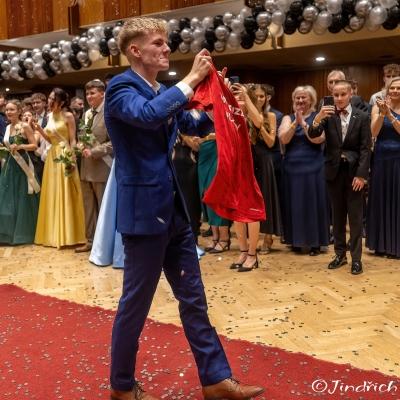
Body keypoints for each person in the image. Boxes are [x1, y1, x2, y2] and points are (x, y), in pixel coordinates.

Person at [104, 17, 264, 400]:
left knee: (194, 299)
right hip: (144, 214)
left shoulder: (161, 90)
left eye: (166, 42)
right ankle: (121, 387)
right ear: (135, 51)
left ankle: (216, 380)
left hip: (174, 211)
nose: (167, 49)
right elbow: (148, 116)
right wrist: (192, 79)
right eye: (158, 43)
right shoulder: (120, 88)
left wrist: (220, 100)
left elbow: (191, 121)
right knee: (135, 305)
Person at [309, 80, 371, 274]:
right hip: (333, 172)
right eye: (335, 95)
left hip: (354, 174)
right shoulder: (327, 115)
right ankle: (340, 255)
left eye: (343, 94)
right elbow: (313, 133)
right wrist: (318, 117)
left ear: (350, 94)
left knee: (355, 218)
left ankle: (356, 259)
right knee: (337, 218)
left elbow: (365, 148)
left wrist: (361, 175)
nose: (339, 98)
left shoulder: (362, 116)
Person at [279, 85, 329, 256]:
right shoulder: (287, 118)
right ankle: (296, 241)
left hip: (314, 167)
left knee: (313, 205)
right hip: (292, 169)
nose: (300, 100)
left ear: (311, 100)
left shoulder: (318, 116)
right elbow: (284, 139)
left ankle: (316, 243)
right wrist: (295, 122)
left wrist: (304, 124)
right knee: (296, 205)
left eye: (303, 97)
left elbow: (318, 139)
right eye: (297, 98)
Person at [34, 88, 86, 249]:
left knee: (66, 193)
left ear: (62, 102)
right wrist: (39, 130)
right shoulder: (49, 116)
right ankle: (53, 235)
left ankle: (68, 235)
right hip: (52, 157)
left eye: (53, 99)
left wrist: (72, 157)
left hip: (65, 155)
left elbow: (72, 140)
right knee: (52, 193)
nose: (50, 101)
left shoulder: (68, 116)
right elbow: (50, 139)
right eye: (49, 98)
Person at [75, 79, 113, 253]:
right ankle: (90, 241)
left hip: (103, 166)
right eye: (87, 93)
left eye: (93, 93)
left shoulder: (110, 112)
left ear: (102, 94)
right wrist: (80, 145)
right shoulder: (86, 114)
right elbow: (82, 136)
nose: (89, 96)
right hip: (86, 167)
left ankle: (105, 244)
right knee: (88, 207)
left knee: (104, 208)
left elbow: (115, 142)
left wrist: (95, 151)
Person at [367, 76, 400, 258]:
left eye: (398, 88)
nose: (395, 91)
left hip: (398, 159)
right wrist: (381, 113)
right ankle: (381, 245)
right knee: (382, 200)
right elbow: (374, 132)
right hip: (381, 159)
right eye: (392, 88)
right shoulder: (376, 107)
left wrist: (390, 115)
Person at [0, 100, 39, 244]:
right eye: (7, 110)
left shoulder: (25, 126)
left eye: (12, 109)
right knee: (8, 198)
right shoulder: (7, 127)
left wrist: (21, 146)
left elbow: (34, 145)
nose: (8, 112)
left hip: (22, 165)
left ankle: (23, 234)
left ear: (19, 111)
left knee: (22, 197)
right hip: (10, 165)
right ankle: (8, 233)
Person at [31, 92, 49, 182]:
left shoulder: (49, 117)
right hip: (33, 157)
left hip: (46, 155)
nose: (35, 105)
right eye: (33, 103)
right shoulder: (30, 117)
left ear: (44, 103)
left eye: (38, 102)